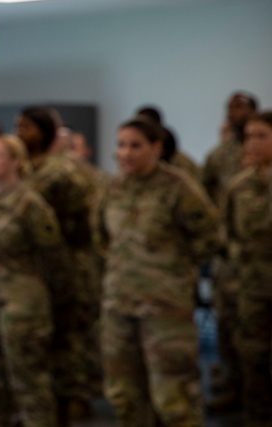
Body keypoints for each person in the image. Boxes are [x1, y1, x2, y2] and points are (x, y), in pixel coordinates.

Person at [95, 118, 220, 427]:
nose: (125, 152)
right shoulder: (111, 188)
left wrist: (170, 272)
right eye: (121, 145)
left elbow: (209, 237)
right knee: (124, 395)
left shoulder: (179, 188)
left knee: (173, 399)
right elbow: (100, 237)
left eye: (135, 145)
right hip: (119, 306)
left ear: (156, 148)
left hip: (165, 309)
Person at [0, 135, 69, 427]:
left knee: (29, 380)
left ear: (16, 162)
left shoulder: (30, 204)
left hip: (22, 302)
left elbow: (54, 256)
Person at [15, 106, 99, 424]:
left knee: (68, 333)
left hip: (67, 263)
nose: (20, 133)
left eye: (27, 127)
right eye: (18, 127)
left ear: (45, 132)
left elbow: (82, 220)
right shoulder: (20, 168)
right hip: (32, 267)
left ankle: (72, 397)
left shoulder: (62, 171)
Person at [201, 91, 259, 411]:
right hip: (229, 256)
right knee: (229, 325)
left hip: (261, 261)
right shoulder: (219, 155)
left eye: (241, 108)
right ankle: (235, 386)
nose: (234, 113)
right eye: (230, 108)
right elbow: (204, 195)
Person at [224, 110, 272, 426]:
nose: (252, 143)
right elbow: (225, 234)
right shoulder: (239, 186)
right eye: (248, 137)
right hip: (253, 287)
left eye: (261, 136)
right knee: (252, 357)